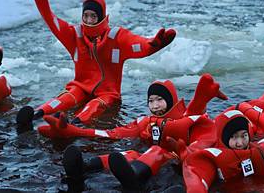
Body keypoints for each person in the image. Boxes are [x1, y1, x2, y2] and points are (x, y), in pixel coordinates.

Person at [17, 0, 177, 127]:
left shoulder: (116, 37)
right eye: (85, 16)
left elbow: (138, 44)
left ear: (100, 18)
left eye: (93, 16)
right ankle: (36, 114)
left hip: (107, 94)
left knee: (94, 106)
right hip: (79, 87)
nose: (88, 20)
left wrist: (153, 44)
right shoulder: (75, 34)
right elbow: (54, 23)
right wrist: (41, 3)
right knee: (65, 98)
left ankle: (74, 125)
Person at [38, 73, 227, 190]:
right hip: (146, 159)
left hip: (175, 161)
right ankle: (85, 167)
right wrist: (74, 131)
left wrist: (187, 154)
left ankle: (134, 178)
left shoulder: (187, 119)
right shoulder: (144, 121)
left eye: (160, 100)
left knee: (156, 151)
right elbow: (113, 134)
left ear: (171, 100)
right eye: (151, 101)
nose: (155, 105)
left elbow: (205, 139)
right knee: (127, 154)